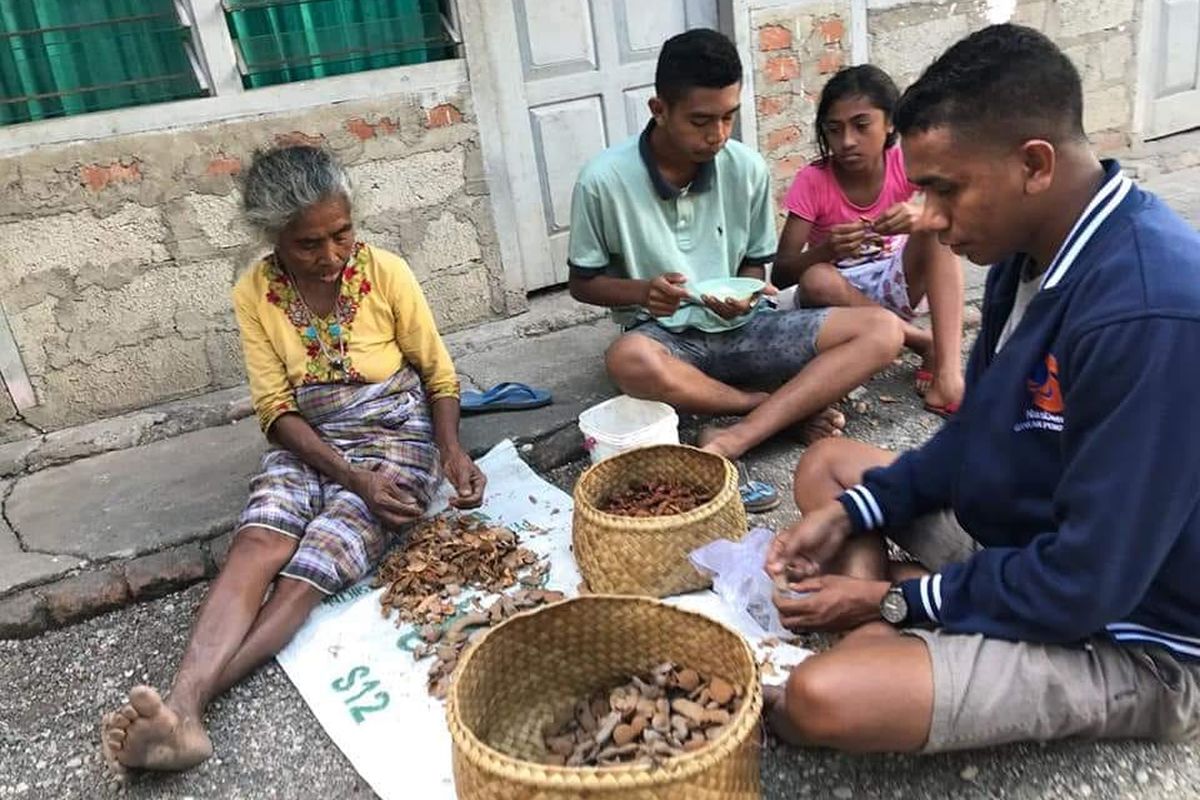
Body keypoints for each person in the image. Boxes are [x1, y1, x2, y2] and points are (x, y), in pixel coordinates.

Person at [765, 24, 1200, 754]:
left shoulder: (1150, 312)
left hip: (1129, 630)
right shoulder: (1026, 255)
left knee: (819, 700)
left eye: (943, 189)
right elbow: (976, 433)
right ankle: (894, 626)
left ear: (1034, 164)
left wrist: (894, 599)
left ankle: (889, 627)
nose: (928, 218)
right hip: (1029, 543)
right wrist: (856, 517)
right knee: (831, 472)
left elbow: (1086, 582)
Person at [100, 145, 486, 775]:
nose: (331, 256)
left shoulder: (385, 273)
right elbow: (276, 409)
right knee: (259, 541)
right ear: (272, 236)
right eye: (309, 245)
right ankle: (181, 718)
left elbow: (438, 375)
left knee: (312, 566)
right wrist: (347, 474)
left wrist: (450, 450)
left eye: (342, 234)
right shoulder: (256, 292)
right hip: (308, 438)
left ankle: (188, 707)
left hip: (392, 435)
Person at [568, 29, 904, 464]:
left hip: (746, 329)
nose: (718, 134)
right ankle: (765, 407)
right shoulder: (602, 181)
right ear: (660, 110)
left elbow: (753, 266)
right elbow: (583, 283)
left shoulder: (746, 169)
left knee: (883, 330)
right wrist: (643, 292)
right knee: (627, 359)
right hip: (665, 337)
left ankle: (739, 430)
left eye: (729, 117)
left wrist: (745, 296)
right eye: (701, 121)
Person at [773, 65, 965, 416]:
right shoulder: (812, 180)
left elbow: (958, 211)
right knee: (816, 278)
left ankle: (948, 369)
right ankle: (922, 342)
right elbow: (781, 274)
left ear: (890, 123)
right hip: (841, 304)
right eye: (834, 129)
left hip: (897, 282)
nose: (847, 141)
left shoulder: (903, 162)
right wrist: (826, 250)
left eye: (862, 126)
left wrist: (922, 213)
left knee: (936, 231)